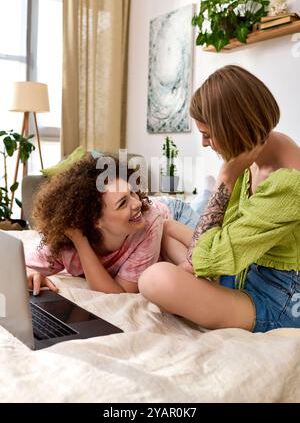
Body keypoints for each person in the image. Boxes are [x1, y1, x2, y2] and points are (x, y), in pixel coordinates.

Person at [138, 64, 300, 333]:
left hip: (278, 297)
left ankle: (201, 291)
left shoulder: (289, 184)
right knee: (164, 227)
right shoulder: (257, 152)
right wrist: (194, 266)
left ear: (234, 129)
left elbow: (207, 253)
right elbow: (218, 233)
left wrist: (226, 177)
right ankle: (202, 288)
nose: (204, 143)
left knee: (155, 280)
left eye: (208, 135)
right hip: (240, 264)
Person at [26, 153, 203, 295]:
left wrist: (82, 243)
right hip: (153, 225)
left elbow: (121, 291)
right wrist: (30, 273)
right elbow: (21, 267)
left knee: (202, 238)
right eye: (122, 203)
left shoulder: (148, 222)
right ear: (95, 221)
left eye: (132, 193)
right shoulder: (69, 237)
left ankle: (205, 196)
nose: (137, 203)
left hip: (174, 212)